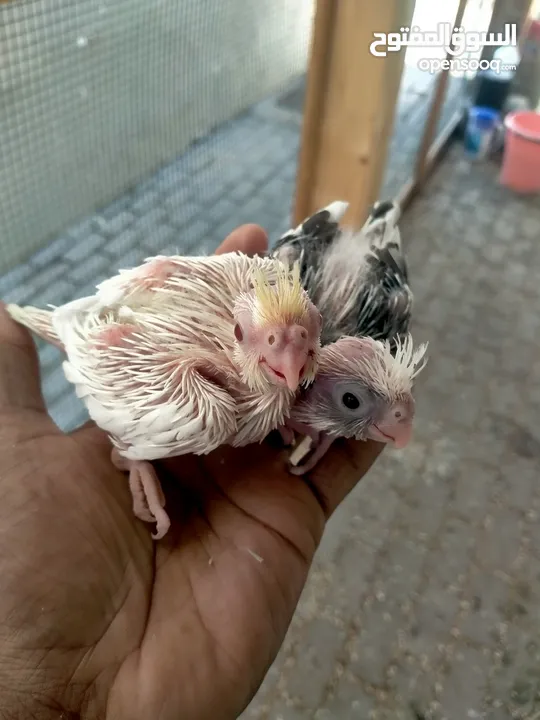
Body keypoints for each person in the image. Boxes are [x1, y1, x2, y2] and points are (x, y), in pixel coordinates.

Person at [0, 224, 383, 719]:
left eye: (305, 344)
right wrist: (132, 449)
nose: (291, 371)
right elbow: (117, 333)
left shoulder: (269, 298)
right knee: (195, 421)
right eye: (267, 346)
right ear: (240, 332)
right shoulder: (205, 407)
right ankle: (134, 448)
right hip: (108, 340)